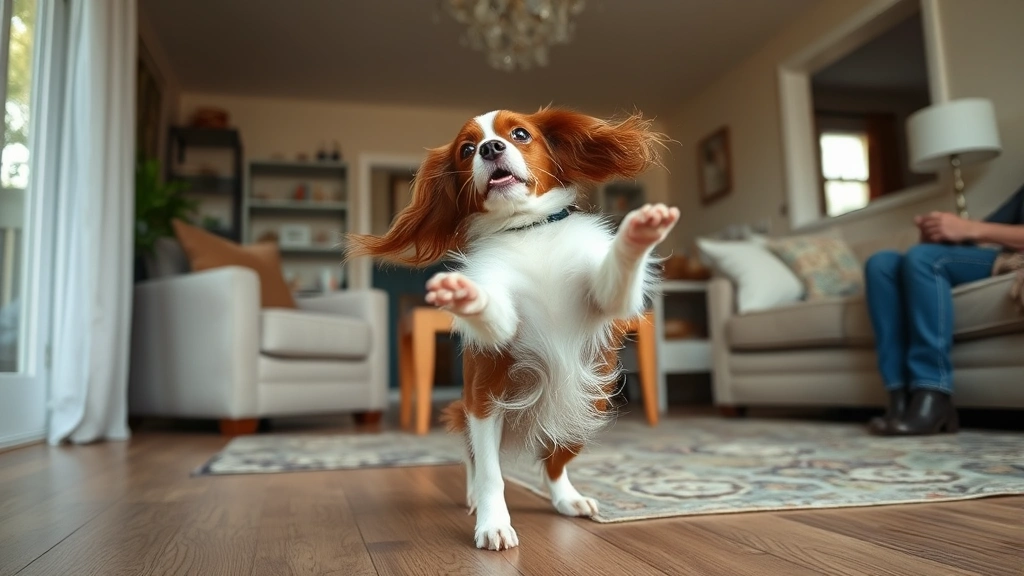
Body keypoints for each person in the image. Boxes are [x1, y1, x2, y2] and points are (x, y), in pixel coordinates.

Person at [864, 185, 1024, 435]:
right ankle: (900, 397)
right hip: (995, 254)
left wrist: (969, 228)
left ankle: (933, 394)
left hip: (1013, 260)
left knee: (925, 259)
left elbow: (977, 231)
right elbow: (980, 238)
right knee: (880, 264)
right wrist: (944, 234)